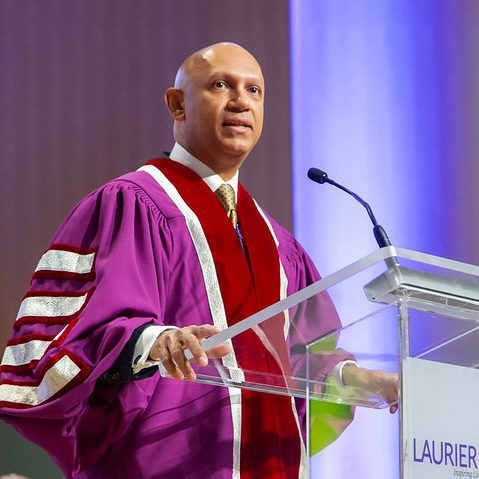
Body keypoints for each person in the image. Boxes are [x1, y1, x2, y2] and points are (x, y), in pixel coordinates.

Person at [0, 42, 397, 478]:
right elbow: (70, 334)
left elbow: (295, 361)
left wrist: (358, 380)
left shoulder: (279, 244)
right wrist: (153, 341)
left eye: (254, 91)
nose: (241, 101)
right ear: (177, 104)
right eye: (221, 85)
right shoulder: (130, 205)